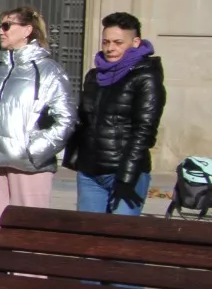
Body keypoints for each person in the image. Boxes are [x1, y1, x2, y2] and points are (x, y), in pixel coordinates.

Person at [0, 5, 76, 281]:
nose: (1, 31)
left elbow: (66, 118)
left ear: (27, 31)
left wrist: (33, 150)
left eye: (7, 26)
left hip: (29, 166)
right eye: (0, 25)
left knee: (30, 233)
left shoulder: (48, 70)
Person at [65, 11, 164, 216]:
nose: (110, 48)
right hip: (90, 172)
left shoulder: (146, 77)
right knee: (90, 238)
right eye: (106, 42)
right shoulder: (94, 76)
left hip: (125, 171)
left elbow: (144, 132)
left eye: (118, 42)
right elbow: (84, 121)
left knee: (120, 241)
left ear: (135, 42)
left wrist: (127, 176)